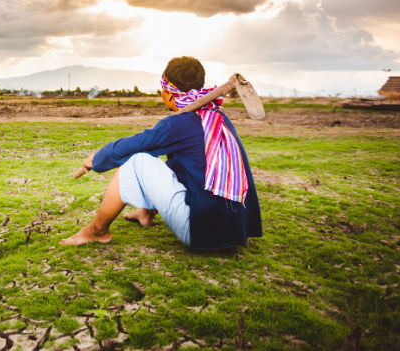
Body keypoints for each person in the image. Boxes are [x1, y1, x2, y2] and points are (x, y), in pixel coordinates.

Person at [61, 56, 262, 250]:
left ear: (168, 92)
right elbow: (179, 169)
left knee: (137, 160)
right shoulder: (218, 118)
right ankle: (146, 214)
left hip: (203, 233)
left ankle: (97, 230)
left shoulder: (177, 124)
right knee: (176, 163)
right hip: (236, 230)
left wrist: (97, 160)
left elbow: (135, 145)